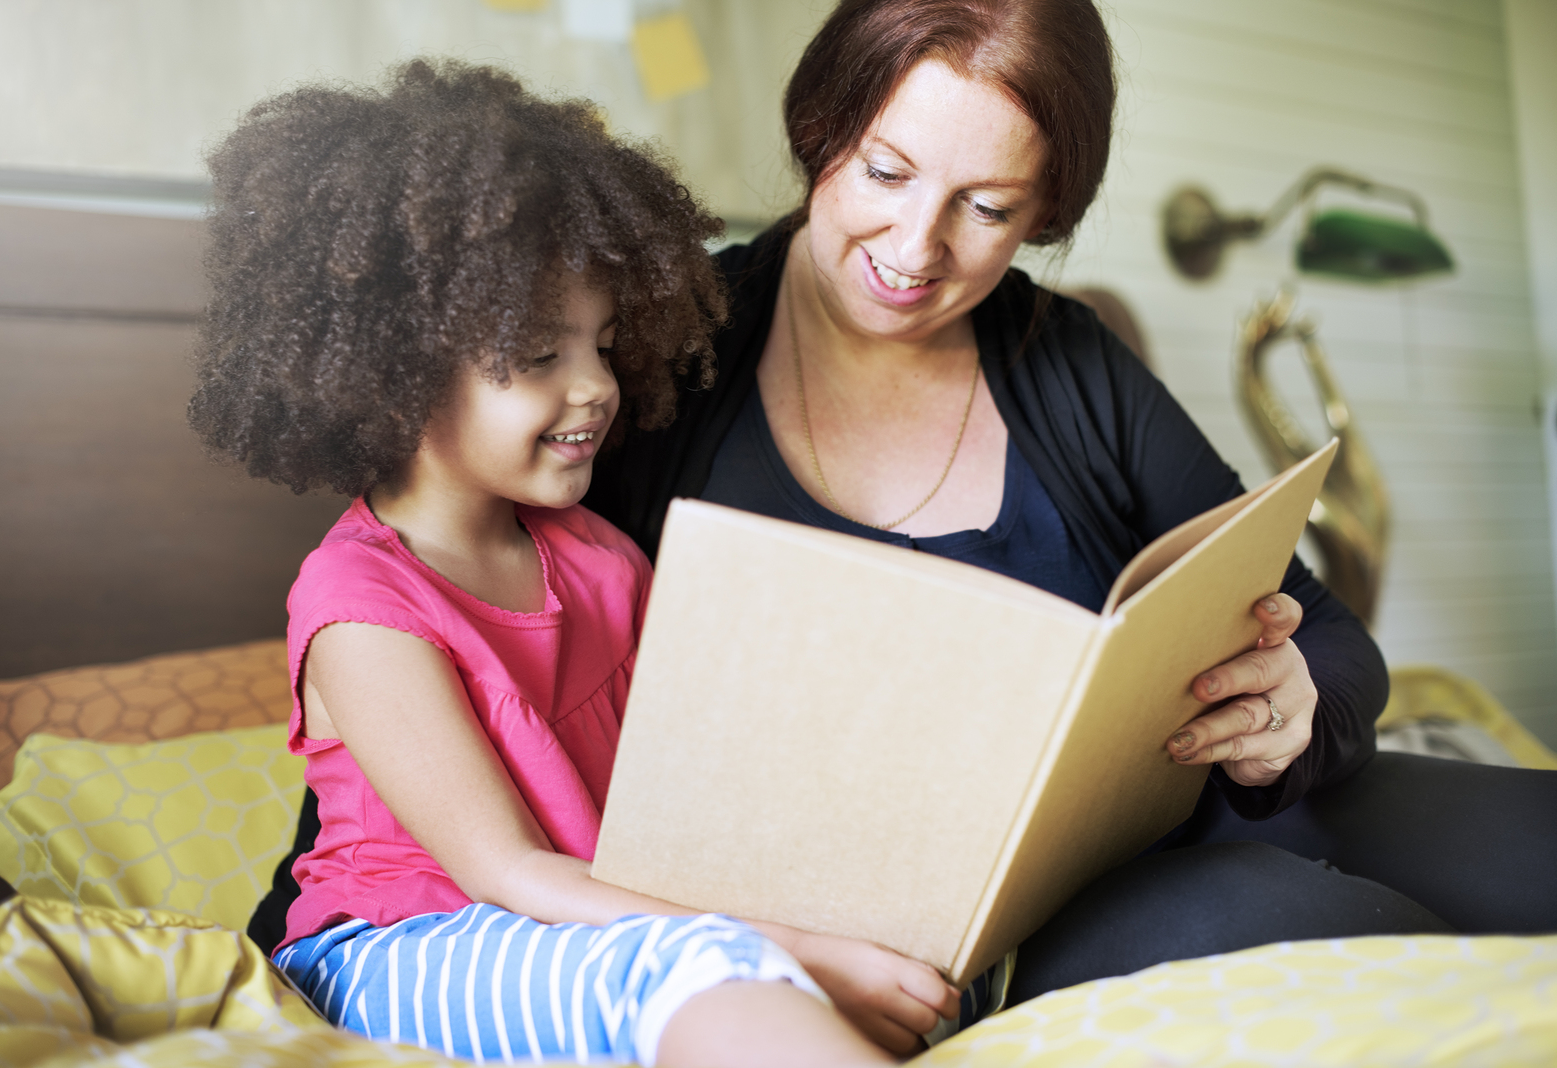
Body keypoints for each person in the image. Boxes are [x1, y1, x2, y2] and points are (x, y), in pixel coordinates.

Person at [249, 0, 1557, 1053]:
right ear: (821, 130)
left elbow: (1328, 635)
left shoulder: (1067, 361)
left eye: (989, 208)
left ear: (1045, 214)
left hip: (1194, 804)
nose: (918, 247)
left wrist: (1296, 700)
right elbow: (444, 658)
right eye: (884, 171)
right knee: (1377, 955)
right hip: (990, 923)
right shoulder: (649, 362)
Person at [192, 59, 961, 1066]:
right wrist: (782, 948)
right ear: (399, 365)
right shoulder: (358, 605)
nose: (597, 387)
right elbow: (504, 871)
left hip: (584, 936)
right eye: (542, 355)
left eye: (602, 345)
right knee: (695, 969)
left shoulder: (599, 557)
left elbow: (690, 801)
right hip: (392, 954)